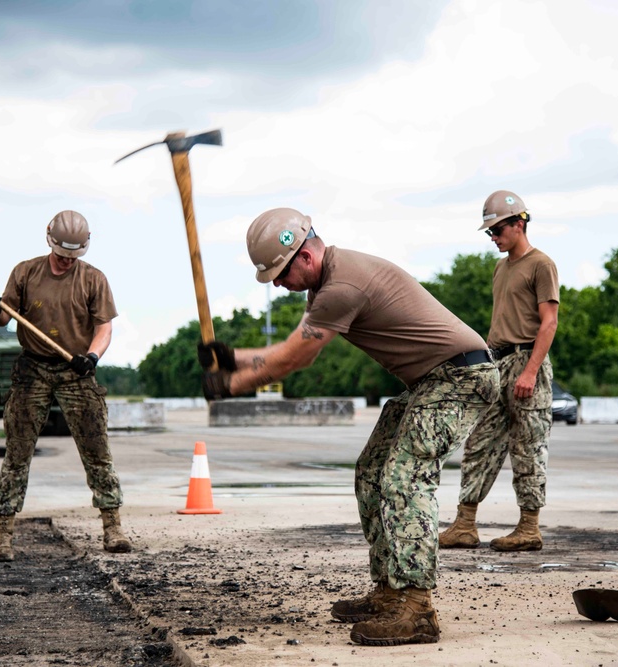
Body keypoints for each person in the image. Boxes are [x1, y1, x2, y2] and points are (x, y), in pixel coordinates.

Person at [198, 208, 499, 646]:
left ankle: (417, 608)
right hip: (433, 381)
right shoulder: (328, 286)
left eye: (280, 274)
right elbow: (288, 346)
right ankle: (390, 591)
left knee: (404, 479)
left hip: (462, 378)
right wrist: (233, 357)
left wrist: (232, 384)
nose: (278, 284)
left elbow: (294, 360)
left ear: (304, 255)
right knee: (372, 473)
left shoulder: (342, 287)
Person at [0, 210, 131, 562]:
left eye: (73, 257)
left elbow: (104, 328)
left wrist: (91, 358)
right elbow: (4, 320)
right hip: (32, 368)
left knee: (97, 451)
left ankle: (113, 528)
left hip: (76, 370)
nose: (66, 263)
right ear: (49, 241)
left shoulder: (94, 279)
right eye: (62, 256)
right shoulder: (25, 272)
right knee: (17, 453)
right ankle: (2, 535)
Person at [438, 190, 559, 552]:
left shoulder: (542, 264)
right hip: (498, 362)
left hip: (527, 362)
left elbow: (549, 322)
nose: (493, 237)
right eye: (489, 232)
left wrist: (530, 371)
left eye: (497, 230)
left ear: (519, 224)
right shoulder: (500, 267)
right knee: (479, 443)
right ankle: (464, 524)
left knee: (528, 447)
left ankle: (529, 527)